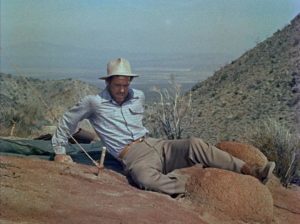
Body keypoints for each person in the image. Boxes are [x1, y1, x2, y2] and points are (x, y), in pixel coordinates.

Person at [52, 58, 275, 196]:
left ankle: (250, 171)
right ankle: (192, 187)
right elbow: (67, 121)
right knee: (144, 178)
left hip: (156, 144)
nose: (122, 89)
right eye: (117, 85)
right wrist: (60, 152)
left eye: (126, 84)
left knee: (194, 144)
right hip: (133, 157)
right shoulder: (94, 103)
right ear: (107, 82)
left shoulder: (137, 96)